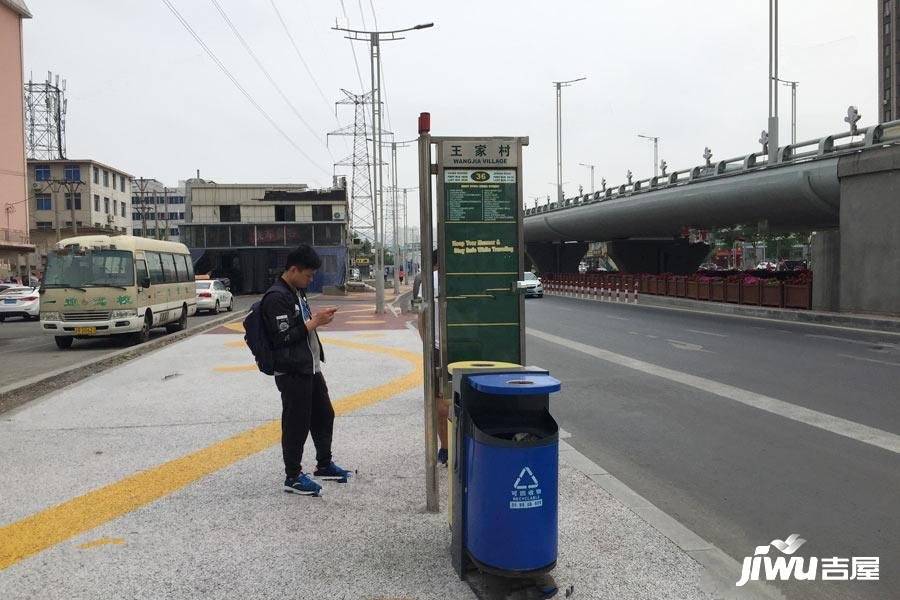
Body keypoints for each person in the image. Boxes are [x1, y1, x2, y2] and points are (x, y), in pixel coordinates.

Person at [261, 245, 351, 496]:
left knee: (324, 414)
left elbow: (302, 326)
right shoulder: (276, 297)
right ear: (293, 269)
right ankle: (293, 476)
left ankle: (324, 464)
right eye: (308, 275)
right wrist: (315, 322)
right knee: (296, 423)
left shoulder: (296, 292)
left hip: (309, 367)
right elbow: (282, 338)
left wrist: (318, 320)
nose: (311, 280)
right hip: (291, 370)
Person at [416, 249, 449, 466]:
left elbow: (421, 318)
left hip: (438, 348)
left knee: (439, 402)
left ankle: (445, 448)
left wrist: (427, 346)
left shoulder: (429, 282)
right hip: (468, 345)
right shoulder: (464, 278)